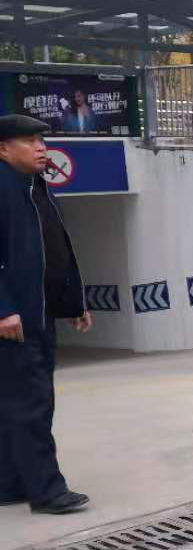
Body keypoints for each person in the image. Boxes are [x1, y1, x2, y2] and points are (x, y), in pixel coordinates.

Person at [0, 114, 91, 514]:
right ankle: (47, 491)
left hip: (39, 314)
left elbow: (57, 248)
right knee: (32, 404)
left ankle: (10, 484)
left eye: (41, 140)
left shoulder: (35, 187)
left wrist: (73, 302)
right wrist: (3, 309)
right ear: (3, 149)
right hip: (15, 321)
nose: (41, 148)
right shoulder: (4, 189)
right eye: (29, 141)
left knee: (17, 403)